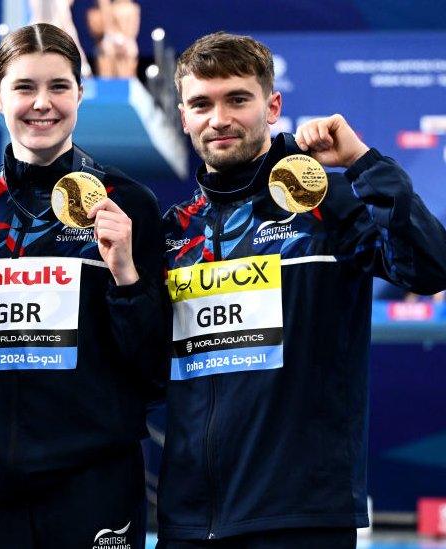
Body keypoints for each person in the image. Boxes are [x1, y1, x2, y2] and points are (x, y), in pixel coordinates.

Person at [158, 32, 446, 548]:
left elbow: (430, 267)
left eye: (237, 99)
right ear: (184, 116)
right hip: (189, 522)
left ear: (272, 106)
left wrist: (361, 163)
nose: (218, 118)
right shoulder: (177, 231)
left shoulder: (325, 205)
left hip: (302, 518)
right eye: (201, 103)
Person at [0, 22, 168, 549]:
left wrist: (126, 276)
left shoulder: (129, 203)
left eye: (58, 87)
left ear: (80, 94)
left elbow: (155, 365)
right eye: (24, 88)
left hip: (94, 478)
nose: (41, 103)